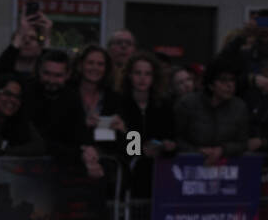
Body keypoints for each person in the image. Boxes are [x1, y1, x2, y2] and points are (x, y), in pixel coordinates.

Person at [47, 44, 126, 179]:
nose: (95, 68)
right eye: (90, 63)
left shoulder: (114, 99)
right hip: (66, 170)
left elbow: (132, 149)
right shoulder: (64, 93)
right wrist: (83, 125)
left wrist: (124, 131)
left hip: (103, 174)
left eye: (100, 64)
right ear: (80, 65)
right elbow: (52, 135)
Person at [0, 72, 45, 203]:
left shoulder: (21, 122)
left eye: (17, 97)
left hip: (8, 197)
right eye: (7, 94)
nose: (12, 100)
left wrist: (6, 152)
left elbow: (39, 147)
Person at [119, 51, 176, 198]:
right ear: (129, 75)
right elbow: (117, 139)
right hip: (128, 176)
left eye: (147, 74)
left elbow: (172, 136)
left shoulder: (163, 105)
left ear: (154, 77)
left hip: (158, 174)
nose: (142, 78)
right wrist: (140, 150)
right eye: (138, 73)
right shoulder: (119, 103)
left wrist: (168, 145)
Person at [174, 61, 249, 162]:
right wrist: (196, 151)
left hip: (226, 169)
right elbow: (175, 138)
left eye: (232, 80)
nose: (230, 85)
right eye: (223, 80)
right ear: (211, 85)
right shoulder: (188, 104)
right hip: (189, 166)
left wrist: (223, 149)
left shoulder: (239, 107)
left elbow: (243, 143)